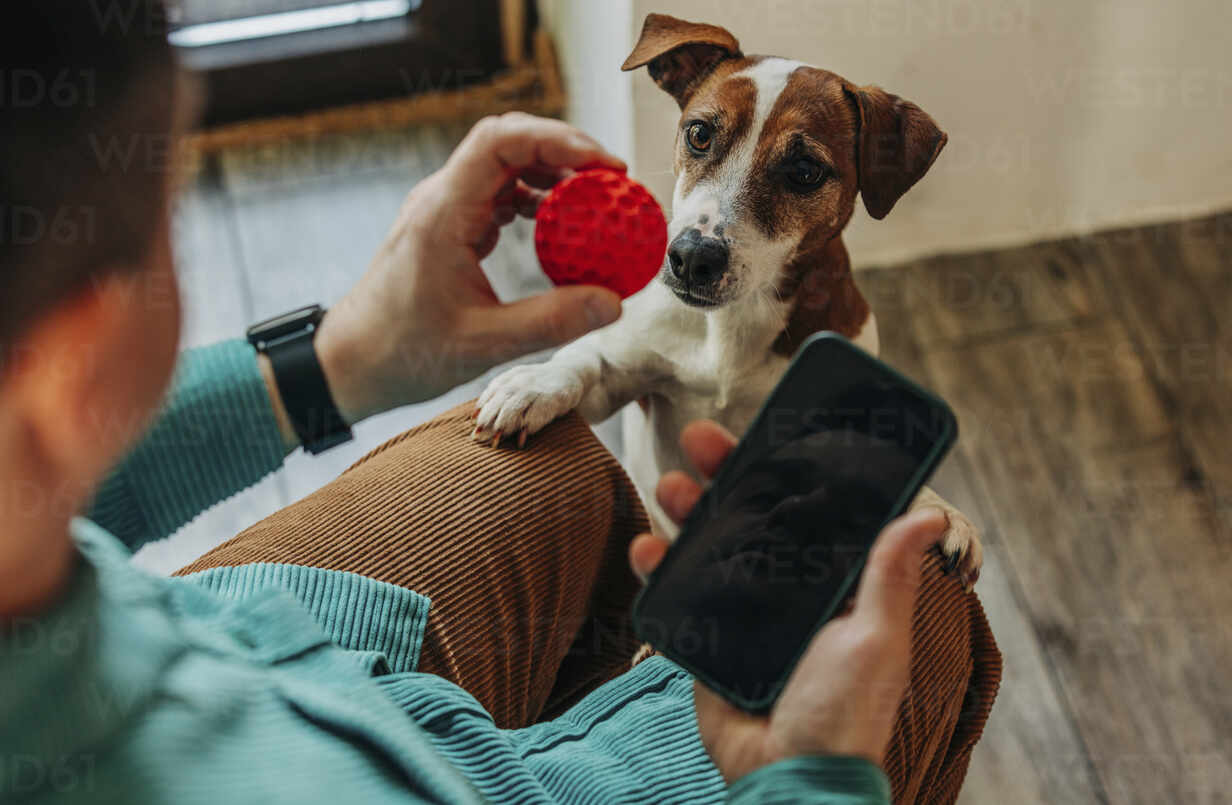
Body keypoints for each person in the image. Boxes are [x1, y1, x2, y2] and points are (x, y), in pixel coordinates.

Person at [0, 3, 1000, 803]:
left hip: (240, 627)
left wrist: (336, 360)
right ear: (74, 355)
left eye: (793, 176)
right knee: (920, 615)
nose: (704, 223)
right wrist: (806, 773)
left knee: (561, 458)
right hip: (415, 742)